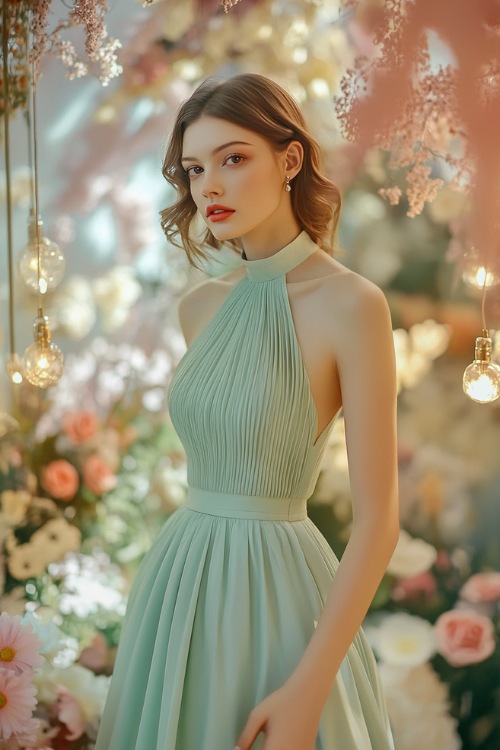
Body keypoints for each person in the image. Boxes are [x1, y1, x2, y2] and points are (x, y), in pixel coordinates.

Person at [95, 73, 399, 750]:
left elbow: (379, 522)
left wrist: (309, 687)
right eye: (195, 168)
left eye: (234, 159)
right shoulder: (198, 308)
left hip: (280, 593)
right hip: (178, 584)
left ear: (290, 160)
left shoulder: (353, 305)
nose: (210, 186)